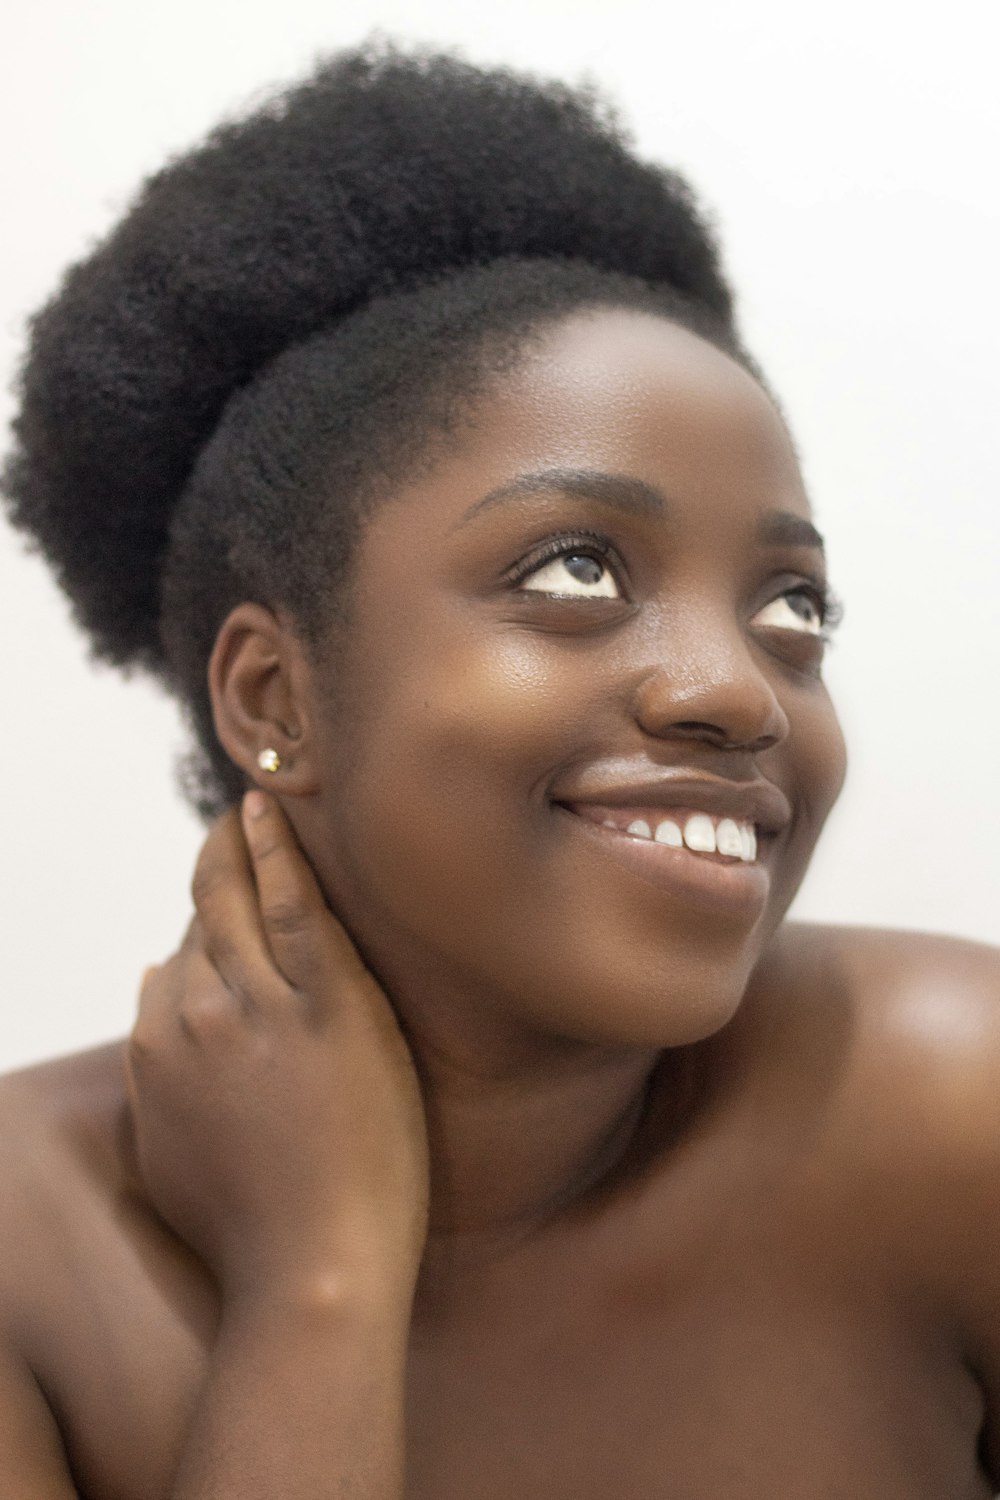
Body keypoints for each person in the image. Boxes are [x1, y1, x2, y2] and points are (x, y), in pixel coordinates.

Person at [1, 41, 998, 1499]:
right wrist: (318, 1290)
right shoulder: (28, 1261)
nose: (737, 690)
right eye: (578, 567)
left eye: (793, 608)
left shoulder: (953, 1109)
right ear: (272, 691)